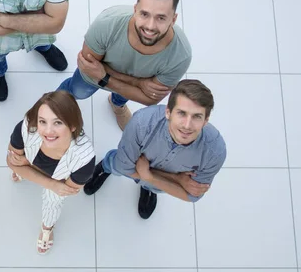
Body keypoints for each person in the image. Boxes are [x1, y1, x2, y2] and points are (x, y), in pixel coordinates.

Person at [58, 0, 192, 130]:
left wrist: (104, 76)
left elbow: (150, 99)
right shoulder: (107, 24)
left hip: (105, 78)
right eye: (144, 14)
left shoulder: (180, 56)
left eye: (161, 18)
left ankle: (117, 105)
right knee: (77, 91)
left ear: (173, 19)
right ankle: (56, 108)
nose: (150, 26)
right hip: (94, 79)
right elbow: (87, 66)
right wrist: (138, 83)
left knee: (121, 97)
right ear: (135, 10)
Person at [84, 79, 227, 220]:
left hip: (148, 175)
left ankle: (148, 188)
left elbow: (192, 195)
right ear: (168, 112)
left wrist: (150, 178)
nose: (187, 125)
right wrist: (176, 179)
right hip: (129, 166)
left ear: (205, 120)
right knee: (116, 164)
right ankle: (106, 166)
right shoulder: (142, 123)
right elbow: (125, 167)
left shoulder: (215, 152)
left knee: (150, 184)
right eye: (181, 113)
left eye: (197, 116)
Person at [6, 91, 95, 254]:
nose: (48, 131)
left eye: (58, 122)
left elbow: (65, 190)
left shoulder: (85, 160)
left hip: (61, 177)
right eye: (42, 121)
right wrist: (51, 183)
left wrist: (26, 166)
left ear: (73, 125)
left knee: (53, 201)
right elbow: (10, 161)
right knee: (20, 167)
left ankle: (47, 227)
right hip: (54, 178)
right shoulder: (27, 127)